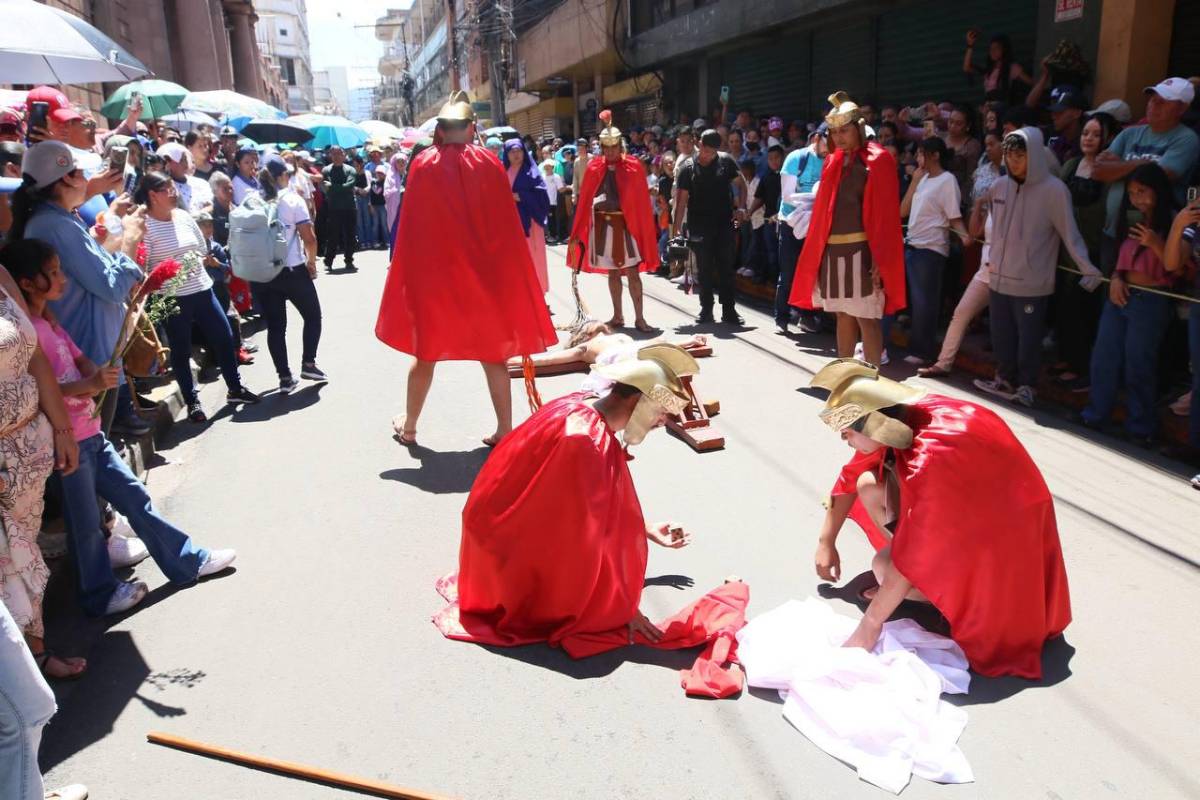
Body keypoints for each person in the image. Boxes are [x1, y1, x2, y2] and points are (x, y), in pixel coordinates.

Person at [8, 238, 236, 619]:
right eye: (53, 273)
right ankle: (98, 595)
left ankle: (186, 562)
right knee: (85, 527)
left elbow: (78, 360)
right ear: (27, 283)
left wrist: (94, 373)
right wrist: (90, 385)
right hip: (67, 443)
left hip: (90, 432)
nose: (62, 279)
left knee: (134, 498)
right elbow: (42, 392)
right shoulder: (28, 334)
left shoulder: (49, 321)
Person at [808, 359, 1071, 679]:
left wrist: (870, 625)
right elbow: (852, 476)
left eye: (847, 433)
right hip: (995, 530)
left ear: (872, 424)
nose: (844, 440)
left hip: (1003, 560)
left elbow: (915, 550)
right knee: (868, 484)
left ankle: (945, 600)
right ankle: (927, 590)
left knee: (884, 567)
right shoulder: (907, 413)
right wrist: (826, 540)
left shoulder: (928, 460)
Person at [434, 347, 696, 648]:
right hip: (504, 550)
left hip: (490, 533)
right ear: (639, 402)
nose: (661, 422)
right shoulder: (586, 441)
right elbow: (588, 532)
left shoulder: (580, 408)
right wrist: (622, 607)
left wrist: (644, 529)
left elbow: (584, 511)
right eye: (661, 412)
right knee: (587, 595)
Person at [375, 92, 555, 447]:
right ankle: (505, 428)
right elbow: (503, 229)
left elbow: (412, 229)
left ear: (441, 130)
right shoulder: (489, 163)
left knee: (425, 354)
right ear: (471, 128)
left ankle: (410, 427)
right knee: (493, 356)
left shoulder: (423, 164)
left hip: (436, 282)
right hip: (482, 279)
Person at [13, 141, 150, 437]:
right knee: (95, 448)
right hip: (91, 360)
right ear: (66, 178)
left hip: (94, 357)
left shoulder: (60, 219)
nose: (88, 179)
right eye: (81, 172)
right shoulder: (54, 225)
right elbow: (111, 287)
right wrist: (130, 238)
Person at [972, 129, 1103, 408]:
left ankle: (1027, 386)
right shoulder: (998, 187)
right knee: (1001, 335)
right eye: (1009, 155)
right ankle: (1004, 378)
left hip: (1032, 282)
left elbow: (1070, 233)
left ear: (1034, 155)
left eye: (1020, 155)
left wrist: (1087, 268)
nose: (1013, 161)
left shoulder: (1055, 190)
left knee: (1029, 339)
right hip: (998, 277)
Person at [0, 245, 82, 682]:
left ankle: (36, 654)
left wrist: (62, 430)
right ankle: (16, 680)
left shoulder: (2, 275)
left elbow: (35, 358)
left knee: (25, 560)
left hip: (30, 458)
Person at [789, 93, 905, 366]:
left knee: (867, 318)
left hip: (864, 251)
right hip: (832, 250)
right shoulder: (832, 162)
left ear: (859, 129)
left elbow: (886, 217)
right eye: (834, 131)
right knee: (842, 315)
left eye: (845, 130)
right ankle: (844, 379)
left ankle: (872, 382)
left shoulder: (879, 160)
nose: (839, 137)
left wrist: (879, 257)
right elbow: (823, 214)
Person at [136, 171, 260, 421]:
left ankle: (235, 388)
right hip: (171, 297)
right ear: (153, 195)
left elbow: (202, 248)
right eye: (168, 189)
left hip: (202, 289)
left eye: (174, 188)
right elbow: (143, 267)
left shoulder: (183, 216)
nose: (175, 193)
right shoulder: (145, 227)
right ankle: (192, 402)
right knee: (180, 351)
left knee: (224, 337)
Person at [1079, 164, 1181, 444]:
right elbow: (1120, 258)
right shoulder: (1128, 219)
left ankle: (1141, 426)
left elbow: (1179, 269)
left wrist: (1156, 242)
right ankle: (1096, 414)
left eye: (1143, 192)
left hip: (1152, 299)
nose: (1138, 199)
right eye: (1133, 193)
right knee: (1104, 357)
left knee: (1139, 363)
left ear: (1158, 192)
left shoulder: (1174, 221)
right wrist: (1115, 277)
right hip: (1121, 294)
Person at [1092, 78, 1200, 273]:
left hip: (1153, 236)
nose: (1153, 105)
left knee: (1143, 293)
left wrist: (1118, 166)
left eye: (1163, 101)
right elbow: (1098, 170)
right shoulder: (1129, 134)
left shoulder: (1187, 139)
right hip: (1114, 230)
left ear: (1182, 108)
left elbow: (1160, 176)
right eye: (1152, 99)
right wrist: (1143, 163)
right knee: (1109, 292)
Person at [568, 110, 661, 330]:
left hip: (628, 227)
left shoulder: (633, 166)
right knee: (612, 272)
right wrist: (578, 231)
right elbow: (584, 202)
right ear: (601, 147)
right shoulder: (594, 167)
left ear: (620, 145)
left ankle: (640, 318)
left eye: (614, 146)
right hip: (604, 227)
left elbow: (638, 203)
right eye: (606, 147)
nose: (610, 151)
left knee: (632, 273)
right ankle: (618, 315)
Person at [1052, 113, 1119, 390]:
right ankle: (1067, 357)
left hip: (1092, 249)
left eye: (1095, 134)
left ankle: (1082, 367)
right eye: (1085, 133)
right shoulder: (1069, 165)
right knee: (1063, 307)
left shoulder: (1109, 172)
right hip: (1064, 249)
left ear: (1107, 138)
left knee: (1084, 310)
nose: (1088, 139)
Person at [251, 156, 326, 394]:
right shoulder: (292, 200)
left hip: (263, 273)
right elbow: (310, 238)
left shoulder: (251, 200)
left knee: (276, 327)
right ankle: (309, 363)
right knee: (313, 316)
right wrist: (311, 262)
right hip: (292, 269)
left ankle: (284, 377)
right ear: (283, 175)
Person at [899, 137, 972, 365]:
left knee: (925, 303)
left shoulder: (947, 180)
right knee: (916, 301)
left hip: (931, 248)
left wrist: (964, 236)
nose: (918, 159)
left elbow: (953, 216)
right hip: (912, 244)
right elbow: (903, 211)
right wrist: (914, 182)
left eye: (922, 154)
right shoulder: (922, 179)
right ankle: (917, 347)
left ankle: (922, 351)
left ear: (935, 155)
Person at [672, 129, 748, 325]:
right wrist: (676, 231)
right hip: (699, 226)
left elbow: (742, 185)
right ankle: (706, 309)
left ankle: (729, 310)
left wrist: (741, 207)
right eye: (704, 150)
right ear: (699, 144)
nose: (707, 155)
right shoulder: (687, 168)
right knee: (704, 269)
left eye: (711, 152)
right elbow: (680, 203)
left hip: (725, 223)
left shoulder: (726, 161)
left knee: (726, 268)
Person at [776, 126, 827, 334]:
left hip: (816, 226)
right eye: (828, 141)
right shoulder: (796, 158)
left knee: (811, 273)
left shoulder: (832, 161)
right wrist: (814, 203)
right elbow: (787, 195)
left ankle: (807, 316)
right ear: (816, 138)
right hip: (790, 222)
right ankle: (781, 317)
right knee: (788, 273)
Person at [501, 139, 551, 294]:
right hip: (511, 223)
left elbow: (542, 197)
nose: (516, 155)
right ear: (506, 154)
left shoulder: (532, 172)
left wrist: (521, 196)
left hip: (531, 222)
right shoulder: (502, 173)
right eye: (512, 152)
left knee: (533, 256)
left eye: (519, 151)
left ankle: (537, 291)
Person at [962, 29, 1033, 105]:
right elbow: (966, 68)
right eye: (991, 49)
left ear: (1004, 50)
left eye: (996, 48)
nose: (993, 51)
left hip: (1000, 107)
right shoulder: (989, 70)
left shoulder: (1012, 67)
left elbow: (1031, 83)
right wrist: (970, 45)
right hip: (988, 107)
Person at [321, 145, 359, 272]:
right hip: (333, 208)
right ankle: (328, 261)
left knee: (350, 236)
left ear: (344, 155)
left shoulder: (350, 170)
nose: (337, 157)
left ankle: (349, 260)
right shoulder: (326, 170)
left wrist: (333, 187)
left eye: (339, 154)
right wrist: (335, 188)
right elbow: (326, 188)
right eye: (334, 154)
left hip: (349, 208)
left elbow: (349, 185)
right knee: (333, 236)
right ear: (330, 156)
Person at [157, 141, 212, 214]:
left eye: (186, 158)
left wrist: (194, 218)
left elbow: (210, 206)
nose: (185, 163)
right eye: (181, 160)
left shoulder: (201, 183)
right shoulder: (163, 188)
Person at [540, 158, 565, 245]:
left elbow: (561, 189)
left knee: (551, 219)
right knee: (542, 219)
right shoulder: (541, 176)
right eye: (545, 166)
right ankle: (544, 236)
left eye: (549, 166)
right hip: (542, 201)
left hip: (552, 202)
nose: (547, 168)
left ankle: (553, 236)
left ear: (552, 167)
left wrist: (569, 187)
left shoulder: (556, 177)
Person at [366, 163, 389, 250]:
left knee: (384, 224)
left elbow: (381, 192)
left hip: (383, 205)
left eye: (381, 173)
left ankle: (386, 241)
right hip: (374, 206)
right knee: (375, 224)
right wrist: (370, 205)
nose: (379, 174)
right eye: (378, 173)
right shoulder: (373, 182)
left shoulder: (386, 182)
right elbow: (372, 194)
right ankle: (375, 242)